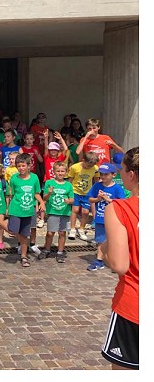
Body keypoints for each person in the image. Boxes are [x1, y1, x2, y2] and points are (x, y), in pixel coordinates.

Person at [99, 147, 138, 370]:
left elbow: (119, 264)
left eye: (121, 169)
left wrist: (104, 249)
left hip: (135, 305)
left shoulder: (120, 208)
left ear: (131, 174)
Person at [0, 153, 44, 268]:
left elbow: (36, 193)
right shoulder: (14, 178)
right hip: (16, 209)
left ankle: (24, 256)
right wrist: (7, 207)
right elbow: (11, 194)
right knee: (12, 231)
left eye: (23, 165)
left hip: (28, 211)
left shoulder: (34, 178)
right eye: (19, 166)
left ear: (29, 165)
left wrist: (41, 202)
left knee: (24, 235)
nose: (21, 168)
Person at [86, 163, 126, 271]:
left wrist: (107, 199)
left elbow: (122, 203)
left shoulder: (117, 188)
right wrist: (98, 199)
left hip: (113, 219)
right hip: (100, 217)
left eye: (106, 174)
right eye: (101, 174)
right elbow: (90, 199)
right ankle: (99, 260)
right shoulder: (97, 186)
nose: (103, 176)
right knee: (100, 240)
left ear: (113, 175)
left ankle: (114, 261)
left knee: (113, 240)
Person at [40, 161, 74, 263]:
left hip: (64, 212)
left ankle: (60, 251)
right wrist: (49, 193)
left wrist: (69, 201)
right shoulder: (49, 183)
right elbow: (44, 198)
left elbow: (72, 199)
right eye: (58, 171)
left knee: (62, 233)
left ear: (66, 172)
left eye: (62, 171)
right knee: (50, 232)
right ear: (54, 172)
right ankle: (47, 249)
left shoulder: (68, 185)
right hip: (53, 211)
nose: (60, 173)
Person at [67, 151, 100, 241]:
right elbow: (70, 180)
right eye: (88, 165)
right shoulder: (75, 167)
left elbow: (96, 179)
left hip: (87, 192)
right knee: (75, 210)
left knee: (85, 212)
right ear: (83, 160)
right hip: (75, 191)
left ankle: (81, 228)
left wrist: (97, 190)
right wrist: (68, 192)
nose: (89, 167)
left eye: (91, 166)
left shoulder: (95, 168)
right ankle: (72, 229)